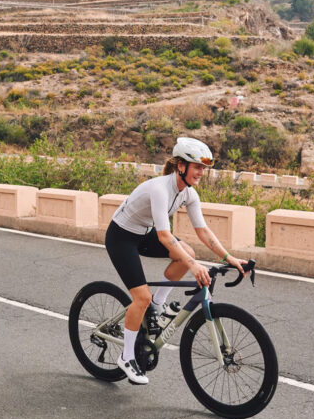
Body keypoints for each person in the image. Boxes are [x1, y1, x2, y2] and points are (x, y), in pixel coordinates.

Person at [105, 137, 246, 384]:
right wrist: (193, 266)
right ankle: (126, 357)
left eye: (204, 168)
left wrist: (229, 257)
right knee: (141, 297)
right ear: (181, 166)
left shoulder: (189, 194)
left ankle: (157, 305)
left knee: (187, 252)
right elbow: (164, 235)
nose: (202, 173)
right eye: (198, 167)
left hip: (144, 233)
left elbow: (202, 231)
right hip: (121, 237)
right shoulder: (160, 188)